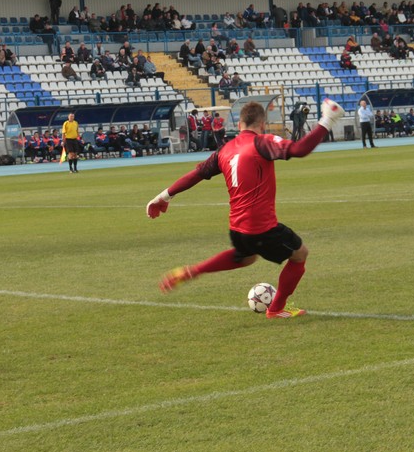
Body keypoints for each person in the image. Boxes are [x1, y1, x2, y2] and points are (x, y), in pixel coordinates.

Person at [147, 99, 344, 319]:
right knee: (300, 254)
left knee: (247, 256)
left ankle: (193, 270)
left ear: (239, 124)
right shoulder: (262, 142)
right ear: (262, 124)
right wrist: (327, 120)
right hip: (262, 227)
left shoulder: (224, 150)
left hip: (238, 229)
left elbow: (197, 174)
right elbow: (299, 149)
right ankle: (276, 308)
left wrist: (163, 196)